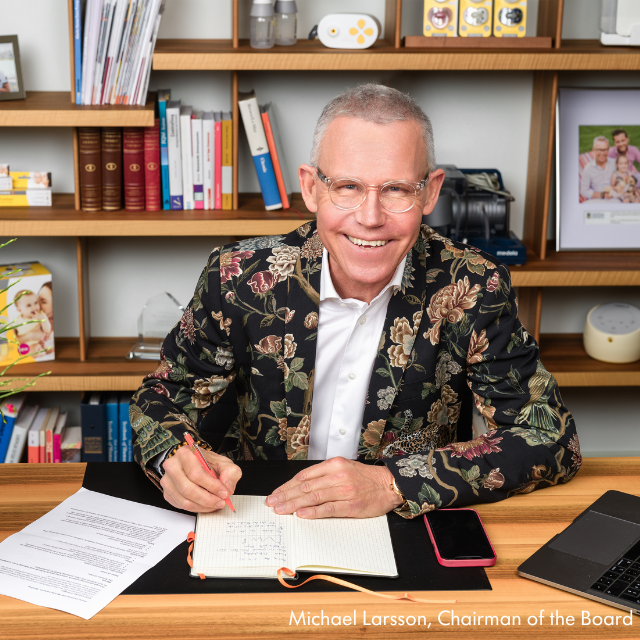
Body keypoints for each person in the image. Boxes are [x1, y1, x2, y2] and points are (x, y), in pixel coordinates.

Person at [131, 84, 580, 520]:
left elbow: (550, 436)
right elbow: (160, 397)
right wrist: (171, 457)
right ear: (310, 188)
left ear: (430, 191)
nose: (370, 218)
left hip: (405, 525)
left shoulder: (473, 286)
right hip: (260, 515)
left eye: (397, 189)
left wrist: (392, 483)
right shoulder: (238, 277)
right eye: (347, 186)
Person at [12, 290, 51, 354]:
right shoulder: (18, 319)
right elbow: (14, 333)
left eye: (36, 303)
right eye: (29, 305)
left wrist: (43, 319)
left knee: (41, 347)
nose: (34, 307)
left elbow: (47, 330)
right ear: (19, 310)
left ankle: (43, 349)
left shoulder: (40, 315)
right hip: (24, 343)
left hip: (38, 342)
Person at [580, 136, 617, 201]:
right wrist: (602, 195)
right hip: (596, 200)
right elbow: (584, 190)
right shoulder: (588, 168)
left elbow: (625, 178)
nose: (602, 153)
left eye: (605, 149)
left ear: (608, 150)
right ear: (593, 150)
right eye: (599, 150)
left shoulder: (615, 163)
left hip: (615, 198)